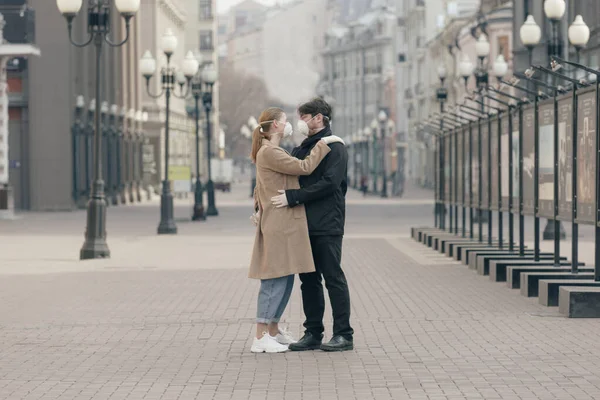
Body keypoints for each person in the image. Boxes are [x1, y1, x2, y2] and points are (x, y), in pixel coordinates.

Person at [249, 107, 344, 353]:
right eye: (286, 120)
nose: (294, 123)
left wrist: (259, 206)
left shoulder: (275, 151)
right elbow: (304, 168)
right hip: (280, 224)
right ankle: (261, 336)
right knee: (274, 278)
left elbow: (262, 185)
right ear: (276, 126)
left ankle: (271, 331)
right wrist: (326, 143)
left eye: (302, 117)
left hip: (290, 224)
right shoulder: (271, 151)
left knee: (286, 277)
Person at [271, 98, 354, 352]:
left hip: (328, 224)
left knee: (333, 278)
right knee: (308, 281)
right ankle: (313, 332)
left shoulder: (335, 147)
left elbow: (330, 184)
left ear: (319, 118)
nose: (301, 122)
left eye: (305, 117)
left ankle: (343, 334)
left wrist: (294, 198)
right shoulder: (302, 148)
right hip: (302, 223)